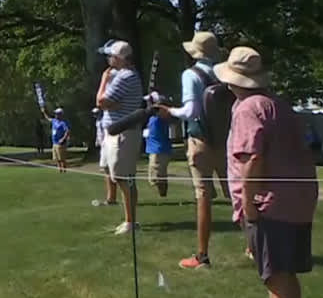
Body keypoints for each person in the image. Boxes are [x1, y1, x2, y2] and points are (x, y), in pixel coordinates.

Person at [214, 47, 318, 298]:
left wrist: (249, 210)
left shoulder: (248, 109)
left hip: (270, 203)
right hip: (297, 199)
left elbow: (252, 160)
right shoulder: (279, 106)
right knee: (285, 273)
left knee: (275, 276)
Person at [152, 31, 228, 269]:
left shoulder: (190, 75)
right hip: (226, 141)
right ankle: (254, 248)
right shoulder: (225, 74)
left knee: (203, 197)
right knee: (238, 196)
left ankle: (202, 256)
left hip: (200, 141)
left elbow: (190, 112)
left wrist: (169, 111)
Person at [96, 40, 144, 234]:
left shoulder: (125, 77)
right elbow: (107, 103)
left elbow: (101, 101)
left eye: (111, 56)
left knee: (124, 178)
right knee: (115, 174)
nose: (108, 59)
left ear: (119, 58)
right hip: (115, 132)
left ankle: (131, 222)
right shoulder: (120, 75)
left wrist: (103, 80)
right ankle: (129, 220)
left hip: (123, 134)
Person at [145, 112, 173, 197]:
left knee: (158, 175)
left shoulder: (159, 118)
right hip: (155, 149)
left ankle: (162, 195)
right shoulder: (152, 118)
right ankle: (162, 194)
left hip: (159, 150)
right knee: (158, 174)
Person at [43, 107, 70, 171]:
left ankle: (64, 170)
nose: (56, 115)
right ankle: (59, 169)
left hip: (60, 144)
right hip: (54, 142)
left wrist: (63, 139)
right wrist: (44, 112)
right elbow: (47, 118)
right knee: (57, 158)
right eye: (55, 114)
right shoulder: (54, 121)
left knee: (62, 158)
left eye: (57, 114)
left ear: (61, 114)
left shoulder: (63, 123)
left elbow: (67, 131)